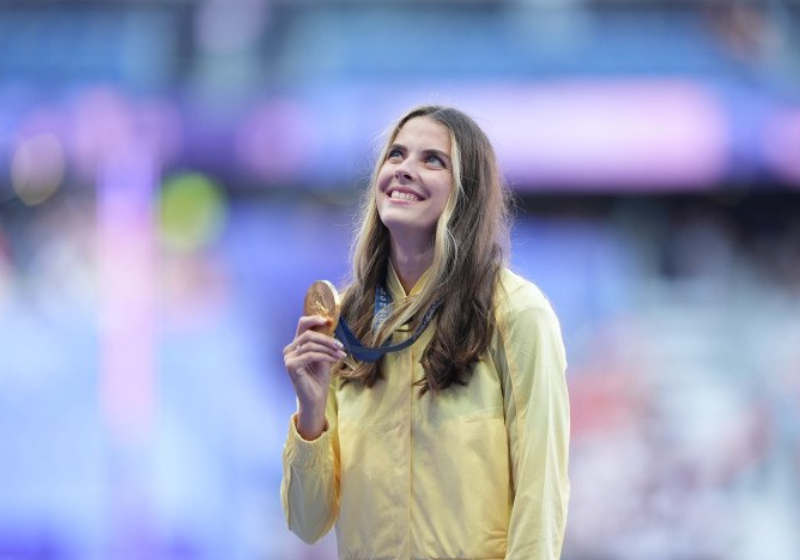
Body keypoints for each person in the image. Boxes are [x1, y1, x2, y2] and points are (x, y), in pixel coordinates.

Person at [281, 105, 570, 560]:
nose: (405, 170)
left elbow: (542, 491)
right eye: (395, 155)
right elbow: (307, 521)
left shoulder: (515, 313)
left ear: (468, 192)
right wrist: (311, 412)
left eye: (433, 160)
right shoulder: (348, 321)